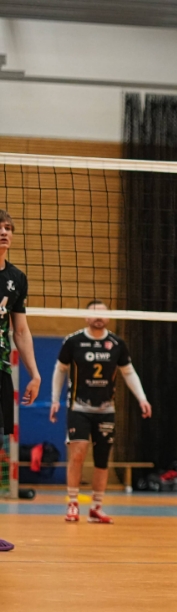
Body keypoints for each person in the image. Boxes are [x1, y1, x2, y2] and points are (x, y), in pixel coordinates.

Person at [49, 301, 152, 523]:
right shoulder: (73, 341)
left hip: (106, 409)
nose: (98, 317)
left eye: (103, 314)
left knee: (102, 458)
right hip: (78, 407)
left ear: (109, 317)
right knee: (78, 453)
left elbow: (128, 372)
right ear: (86, 317)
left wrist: (142, 398)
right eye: (94, 313)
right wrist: (55, 400)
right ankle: (73, 503)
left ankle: (96, 507)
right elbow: (60, 370)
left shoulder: (117, 343)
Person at [0, 210, 42, 551]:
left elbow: (21, 330)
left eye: (8, 228)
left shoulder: (16, 278)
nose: (4, 233)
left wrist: (35, 373)